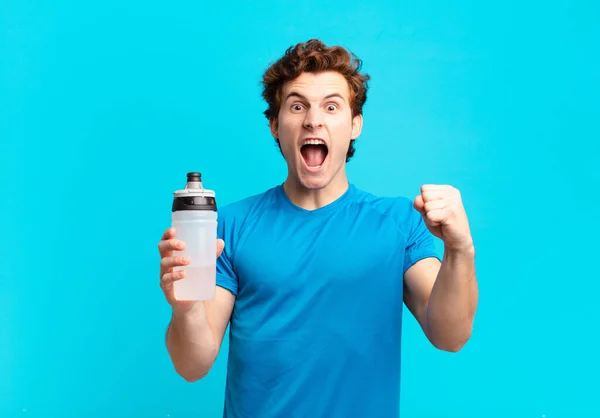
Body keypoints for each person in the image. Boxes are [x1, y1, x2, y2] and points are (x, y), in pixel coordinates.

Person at [158, 39, 478, 418]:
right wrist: (187, 309)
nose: (313, 120)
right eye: (297, 106)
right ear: (276, 126)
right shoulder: (228, 226)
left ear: (355, 124)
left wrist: (460, 249)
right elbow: (191, 366)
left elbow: (451, 335)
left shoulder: (399, 222)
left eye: (331, 106)